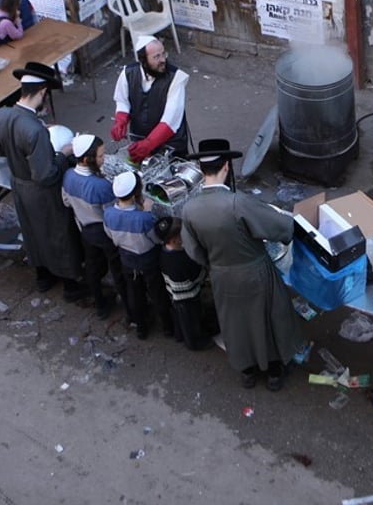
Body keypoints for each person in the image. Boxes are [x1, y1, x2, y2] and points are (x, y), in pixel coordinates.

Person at [180, 139, 303, 391]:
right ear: (226, 166)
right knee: (268, 320)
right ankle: (274, 374)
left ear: (203, 170)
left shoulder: (189, 208)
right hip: (255, 272)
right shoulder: (237, 203)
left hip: (222, 276)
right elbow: (282, 227)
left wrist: (217, 264)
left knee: (236, 324)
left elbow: (193, 250)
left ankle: (247, 372)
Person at [0, 62, 87, 301]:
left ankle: (43, 277)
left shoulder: (1, 115)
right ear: (42, 91)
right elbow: (46, 175)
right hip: (41, 192)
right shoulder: (35, 130)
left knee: (32, 232)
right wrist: (63, 154)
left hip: (19, 184)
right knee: (58, 234)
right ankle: (70, 286)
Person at [60, 134, 127, 319]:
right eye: (100, 156)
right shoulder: (101, 186)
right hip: (103, 232)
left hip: (84, 228)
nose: (103, 159)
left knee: (92, 266)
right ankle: (130, 309)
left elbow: (66, 201)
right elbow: (111, 214)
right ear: (87, 159)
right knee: (117, 269)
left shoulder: (68, 176)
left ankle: (100, 304)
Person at [103, 171, 174, 340]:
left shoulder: (108, 214)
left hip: (127, 259)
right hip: (148, 260)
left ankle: (141, 327)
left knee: (135, 293)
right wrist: (148, 212)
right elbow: (156, 239)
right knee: (158, 293)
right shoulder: (144, 218)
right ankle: (167, 327)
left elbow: (110, 235)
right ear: (136, 194)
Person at [111, 35, 190, 162]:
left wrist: (148, 144)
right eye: (156, 57)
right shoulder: (127, 73)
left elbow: (169, 120)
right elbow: (122, 100)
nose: (163, 60)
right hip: (139, 139)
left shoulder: (176, 78)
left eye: (163, 54)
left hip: (171, 144)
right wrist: (120, 121)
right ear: (143, 60)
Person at [160, 224, 214, 351]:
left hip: (173, 292)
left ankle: (179, 335)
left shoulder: (163, 251)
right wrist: (205, 273)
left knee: (180, 316)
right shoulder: (183, 258)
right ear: (174, 240)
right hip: (188, 295)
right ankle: (194, 343)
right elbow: (197, 276)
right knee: (191, 320)